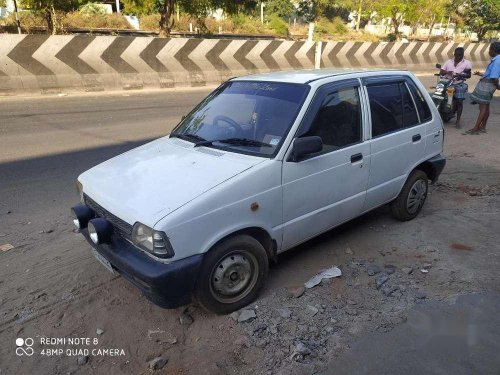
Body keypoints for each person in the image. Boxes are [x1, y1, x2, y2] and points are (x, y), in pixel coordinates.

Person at [464, 42, 500, 135]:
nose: (489, 51)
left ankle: (476, 127)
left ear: (493, 50)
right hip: (489, 84)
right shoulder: (497, 60)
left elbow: (494, 77)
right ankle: (483, 127)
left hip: (487, 86)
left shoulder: (497, 61)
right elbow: (491, 74)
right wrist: (481, 74)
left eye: (490, 49)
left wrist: (498, 86)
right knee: (486, 106)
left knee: (482, 107)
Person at [440, 47, 472, 128]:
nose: (458, 57)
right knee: (442, 98)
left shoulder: (467, 63)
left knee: (459, 102)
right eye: (456, 55)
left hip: (458, 84)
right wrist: (448, 72)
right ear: (454, 54)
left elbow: (469, 75)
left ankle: (458, 121)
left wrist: (460, 75)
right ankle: (445, 113)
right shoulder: (448, 62)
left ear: (462, 55)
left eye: (460, 55)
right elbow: (441, 71)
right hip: (448, 83)